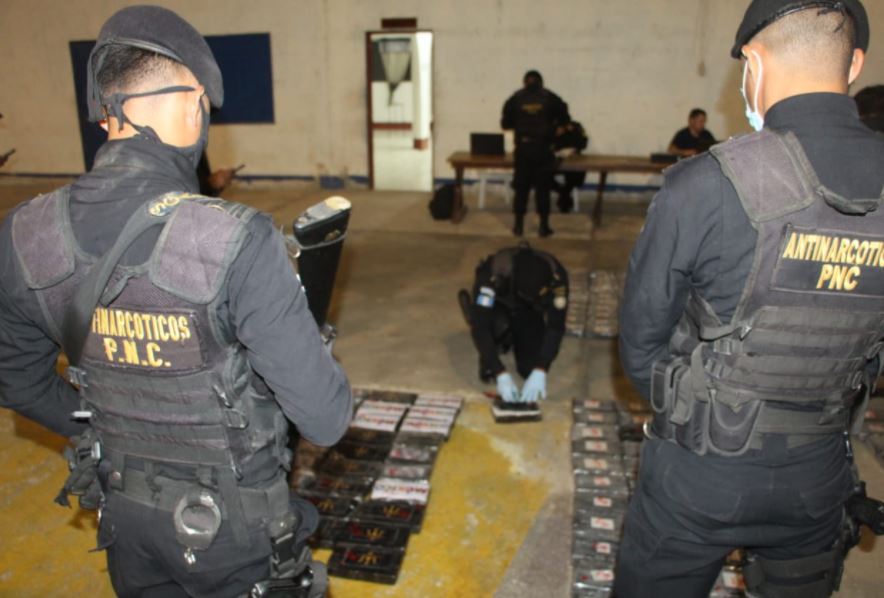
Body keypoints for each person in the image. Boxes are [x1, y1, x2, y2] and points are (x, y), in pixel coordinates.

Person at [0, 6, 352, 597]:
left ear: (105, 111)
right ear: (193, 104)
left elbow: (17, 381)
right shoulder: (235, 238)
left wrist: (114, 431)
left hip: (126, 520)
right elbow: (325, 417)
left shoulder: (25, 234)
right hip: (237, 533)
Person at [615, 1, 882, 597]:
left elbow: (640, 344)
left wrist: (696, 403)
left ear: (753, 65)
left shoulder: (703, 184)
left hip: (699, 471)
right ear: (854, 64)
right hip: (819, 474)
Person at [458, 243, 569, 403]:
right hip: (498, 304)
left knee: (528, 370)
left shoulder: (557, 276)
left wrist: (541, 368)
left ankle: (512, 336)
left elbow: (556, 327)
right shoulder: (492, 274)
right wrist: (500, 372)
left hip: (529, 310)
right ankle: (485, 326)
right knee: (492, 325)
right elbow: (481, 328)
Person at [501, 70, 571, 237]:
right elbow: (565, 119)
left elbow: (505, 124)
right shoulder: (551, 97)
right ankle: (543, 227)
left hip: (523, 149)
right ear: (541, 82)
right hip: (543, 149)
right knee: (543, 189)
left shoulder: (515, 98)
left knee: (521, 188)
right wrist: (554, 128)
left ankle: (518, 226)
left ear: (524, 82)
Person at [552, 120, 589, 213]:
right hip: (554, 161)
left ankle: (564, 195)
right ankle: (563, 193)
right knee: (541, 174)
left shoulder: (575, 126)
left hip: (572, 162)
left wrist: (572, 148)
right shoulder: (550, 126)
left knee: (576, 174)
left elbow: (583, 143)